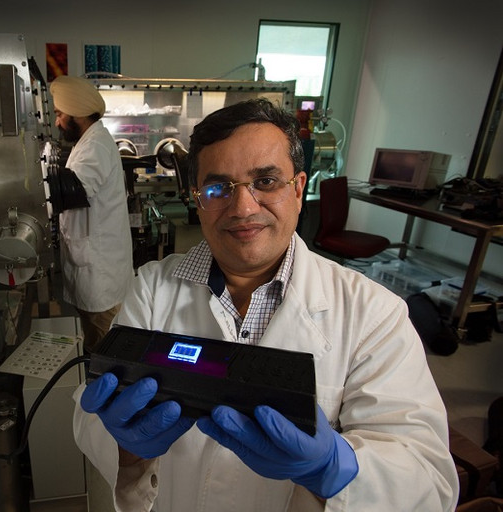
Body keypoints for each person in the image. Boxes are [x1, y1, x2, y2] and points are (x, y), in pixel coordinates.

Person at [73, 99, 459, 511]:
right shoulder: (152, 288)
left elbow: (429, 483)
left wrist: (335, 468)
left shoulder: (374, 314)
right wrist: (127, 448)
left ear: (298, 189)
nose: (243, 208)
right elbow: (94, 413)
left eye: (267, 181)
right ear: (197, 199)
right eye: (218, 188)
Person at [49, 75, 133, 353]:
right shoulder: (87, 141)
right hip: (92, 264)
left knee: (106, 348)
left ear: (77, 113)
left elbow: (74, 190)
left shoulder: (95, 145)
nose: (57, 122)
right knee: (95, 341)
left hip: (100, 273)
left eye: (60, 114)